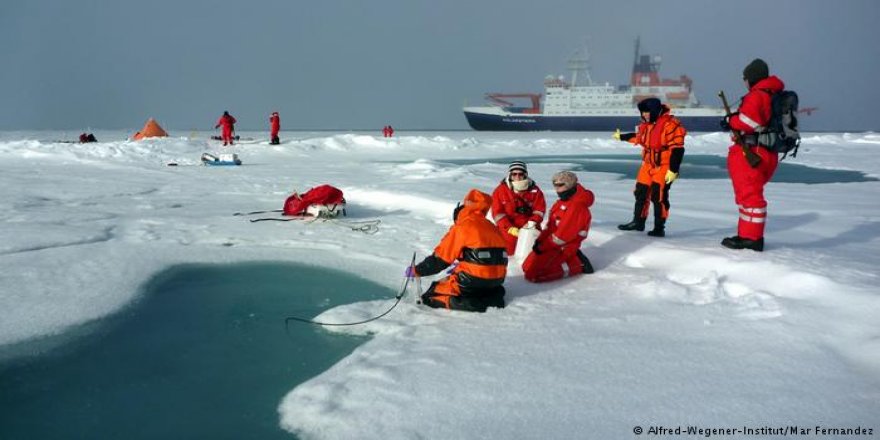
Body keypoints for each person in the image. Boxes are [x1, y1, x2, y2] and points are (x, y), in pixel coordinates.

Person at [719, 58, 785, 252]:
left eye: (745, 78)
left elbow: (748, 122)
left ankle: (752, 239)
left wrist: (731, 121)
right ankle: (746, 235)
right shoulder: (774, 94)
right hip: (767, 153)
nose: (744, 82)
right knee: (749, 195)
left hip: (752, 153)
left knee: (750, 197)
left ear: (751, 78)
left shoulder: (757, 96)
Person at [405, 189, 508, 312]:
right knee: (482, 288)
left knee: (431, 294)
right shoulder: (492, 227)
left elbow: (440, 260)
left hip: (471, 281)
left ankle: (468, 303)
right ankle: (491, 298)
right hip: (497, 281)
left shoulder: (462, 226)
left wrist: (417, 270)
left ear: (459, 215)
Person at [613, 97, 686, 237]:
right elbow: (639, 138)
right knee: (640, 192)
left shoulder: (671, 125)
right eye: (642, 112)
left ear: (654, 111)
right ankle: (638, 222)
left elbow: (678, 149)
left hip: (664, 166)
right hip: (647, 165)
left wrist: (673, 170)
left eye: (647, 112)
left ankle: (659, 228)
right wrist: (621, 137)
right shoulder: (646, 125)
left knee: (658, 196)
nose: (644, 115)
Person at [522, 171, 595, 283]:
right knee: (526, 266)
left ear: (570, 185)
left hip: (567, 245)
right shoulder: (561, 202)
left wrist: (543, 247)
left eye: (560, 185)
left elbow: (561, 237)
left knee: (533, 275)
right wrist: (540, 240)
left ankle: (578, 264)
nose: (556, 189)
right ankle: (570, 258)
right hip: (553, 243)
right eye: (555, 185)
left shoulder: (576, 207)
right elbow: (550, 226)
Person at [491, 161, 547, 255]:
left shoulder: (535, 190)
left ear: (525, 175)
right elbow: (497, 214)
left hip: (530, 229)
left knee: (534, 254)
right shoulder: (500, 191)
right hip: (508, 231)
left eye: (520, 174)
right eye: (514, 174)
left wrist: (532, 223)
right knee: (508, 255)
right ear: (510, 175)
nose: (517, 177)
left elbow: (539, 210)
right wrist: (510, 228)